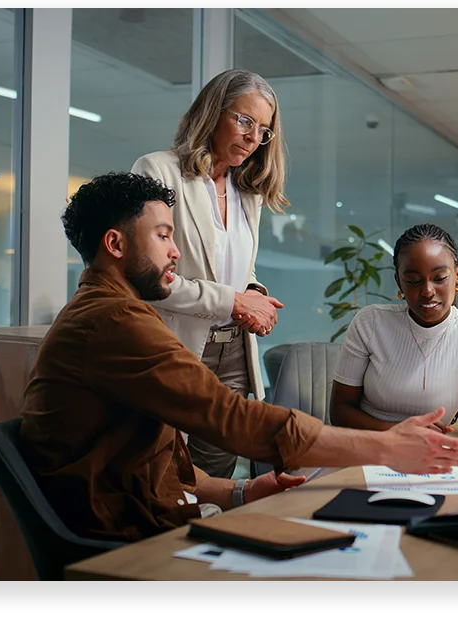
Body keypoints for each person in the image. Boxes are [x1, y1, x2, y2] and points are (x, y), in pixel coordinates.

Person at [18, 173, 458, 543]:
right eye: (162, 235)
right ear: (115, 245)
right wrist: (387, 446)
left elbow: (157, 458)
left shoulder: (111, 314)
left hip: (152, 517)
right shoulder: (113, 322)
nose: (176, 250)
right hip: (129, 540)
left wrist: (241, 490)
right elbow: (230, 417)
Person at [130, 68, 286, 479]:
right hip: (176, 344)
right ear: (213, 112)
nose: (254, 137)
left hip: (233, 350)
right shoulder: (158, 171)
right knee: (165, 472)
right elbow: (147, 278)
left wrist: (253, 295)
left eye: (264, 130)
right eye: (244, 120)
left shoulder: (245, 193)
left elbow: (239, 268)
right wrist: (234, 299)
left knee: (217, 473)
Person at [330, 223, 458, 434]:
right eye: (413, 281)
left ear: (457, 275)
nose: (427, 291)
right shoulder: (371, 322)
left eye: (439, 278)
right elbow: (339, 411)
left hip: (430, 456)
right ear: (399, 283)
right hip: (367, 449)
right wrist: (399, 432)